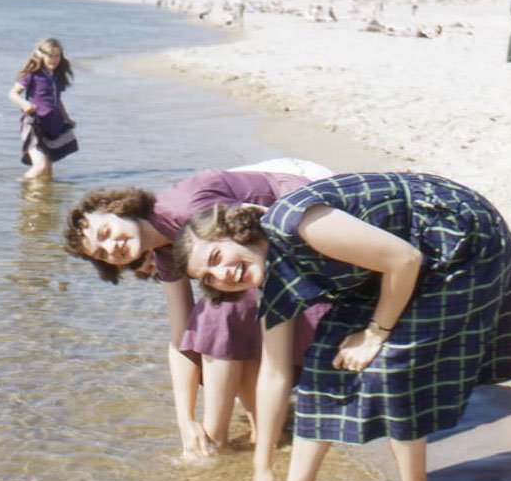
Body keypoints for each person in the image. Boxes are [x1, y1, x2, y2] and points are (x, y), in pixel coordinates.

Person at [175, 171, 511, 481]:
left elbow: (405, 260)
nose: (222, 274)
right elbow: (274, 373)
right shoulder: (272, 280)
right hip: (391, 262)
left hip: (458, 237)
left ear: (236, 231)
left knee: (392, 363)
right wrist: (262, 470)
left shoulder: (298, 223)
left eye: (217, 256)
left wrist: (374, 335)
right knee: (322, 367)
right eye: (208, 277)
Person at [64, 160, 331, 460]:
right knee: (215, 318)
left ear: (120, 209)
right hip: (276, 261)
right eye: (102, 254)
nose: (111, 248)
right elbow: (180, 337)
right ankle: (257, 432)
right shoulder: (166, 252)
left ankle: (216, 438)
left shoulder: (184, 209)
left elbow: (257, 238)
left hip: (318, 212)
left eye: (105, 232)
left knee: (221, 311)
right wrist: (184, 421)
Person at [8, 38, 78, 179]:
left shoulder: (56, 76)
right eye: (50, 56)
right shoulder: (33, 74)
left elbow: (57, 101)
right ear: (41, 56)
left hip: (51, 124)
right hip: (34, 123)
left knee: (48, 170)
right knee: (40, 166)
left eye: (57, 56)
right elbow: (12, 94)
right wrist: (25, 104)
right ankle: (19, 186)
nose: (54, 59)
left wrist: (67, 118)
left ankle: (44, 199)